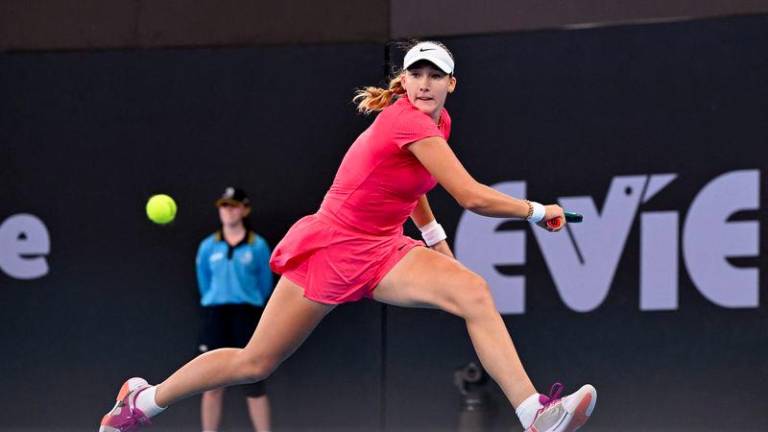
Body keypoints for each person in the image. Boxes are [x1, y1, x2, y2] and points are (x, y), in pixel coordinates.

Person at [99, 41, 597, 432]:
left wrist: (433, 240)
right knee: (255, 363)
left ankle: (534, 412)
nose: (424, 84)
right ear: (403, 81)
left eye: (434, 76)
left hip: (383, 249)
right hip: (332, 247)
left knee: (474, 292)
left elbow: (415, 186)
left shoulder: (438, 122)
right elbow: (471, 196)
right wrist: (538, 211)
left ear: (451, 84)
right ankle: (143, 401)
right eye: (416, 74)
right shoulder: (405, 119)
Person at [194, 187, 274, 432]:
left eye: (233, 206)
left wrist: (249, 302)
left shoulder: (257, 246)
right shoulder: (208, 246)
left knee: (254, 383)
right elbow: (204, 281)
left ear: (244, 209)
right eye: (224, 206)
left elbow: (265, 284)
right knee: (211, 384)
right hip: (216, 316)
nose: (228, 211)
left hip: (246, 316)